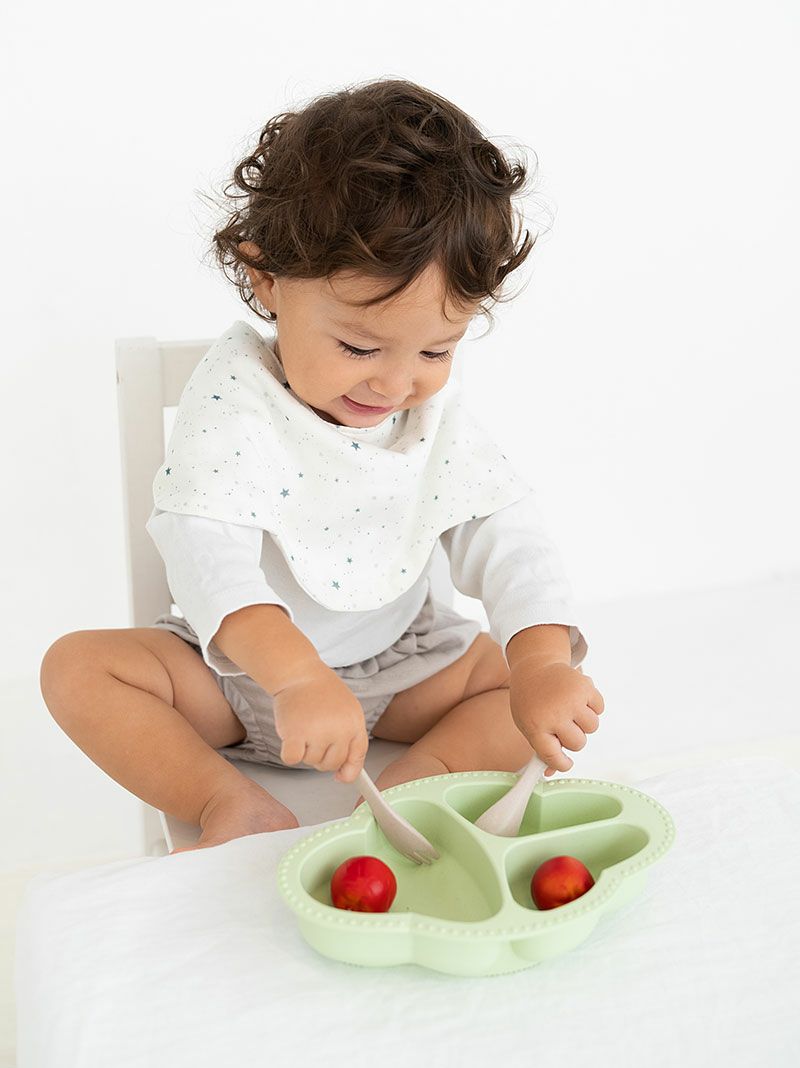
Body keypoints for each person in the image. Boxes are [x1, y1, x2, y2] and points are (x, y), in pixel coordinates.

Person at [39, 78, 604, 853]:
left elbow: (507, 534)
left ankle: (410, 793)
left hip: (402, 671)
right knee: (78, 670)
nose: (395, 384)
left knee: (517, 692)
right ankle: (226, 801)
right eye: (360, 347)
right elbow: (207, 556)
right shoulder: (234, 399)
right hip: (237, 682)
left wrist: (539, 663)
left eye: (436, 350)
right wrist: (297, 679)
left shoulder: (428, 412)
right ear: (267, 278)